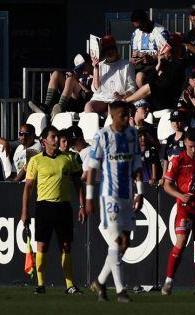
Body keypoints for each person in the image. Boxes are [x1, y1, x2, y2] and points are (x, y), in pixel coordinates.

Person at [83, 101, 143, 303]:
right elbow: (92, 169)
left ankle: (100, 282)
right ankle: (120, 291)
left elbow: (137, 165)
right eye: (123, 116)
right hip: (109, 196)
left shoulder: (132, 135)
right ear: (112, 115)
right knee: (117, 242)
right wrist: (89, 198)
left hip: (127, 195)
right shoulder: (102, 136)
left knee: (125, 243)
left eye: (128, 115)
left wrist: (140, 192)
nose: (127, 119)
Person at [19, 126, 84, 295]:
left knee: (66, 246)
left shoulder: (69, 158)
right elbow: (28, 188)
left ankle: (70, 285)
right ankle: (41, 284)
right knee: (42, 246)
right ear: (44, 141)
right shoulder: (36, 161)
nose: (56, 140)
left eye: (57, 137)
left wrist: (82, 206)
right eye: (53, 137)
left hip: (63, 206)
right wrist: (24, 211)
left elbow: (78, 184)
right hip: (44, 207)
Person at [161, 128, 195, 296]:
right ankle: (168, 282)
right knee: (181, 242)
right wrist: (180, 195)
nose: (194, 149)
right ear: (185, 144)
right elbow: (167, 185)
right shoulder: (177, 161)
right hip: (185, 210)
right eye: (191, 146)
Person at [86, 35, 138, 115]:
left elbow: (132, 88)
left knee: (112, 108)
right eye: (106, 49)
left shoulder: (126, 65)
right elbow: (96, 89)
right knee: (88, 106)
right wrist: (96, 69)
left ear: (116, 49)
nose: (109, 52)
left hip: (118, 100)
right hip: (101, 98)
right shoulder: (100, 65)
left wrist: (122, 95)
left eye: (111, 48)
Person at [129, 9, 169, 85]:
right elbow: (134, 53)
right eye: (136, 27)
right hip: (141, 66)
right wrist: (135, 59)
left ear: (146, 19)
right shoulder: (135, 34)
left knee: (140, 76)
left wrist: (152, 58)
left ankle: (145, 96)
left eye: (140, 26)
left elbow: (167, 55)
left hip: (158, 65)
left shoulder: (160, 31)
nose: (140, 29)